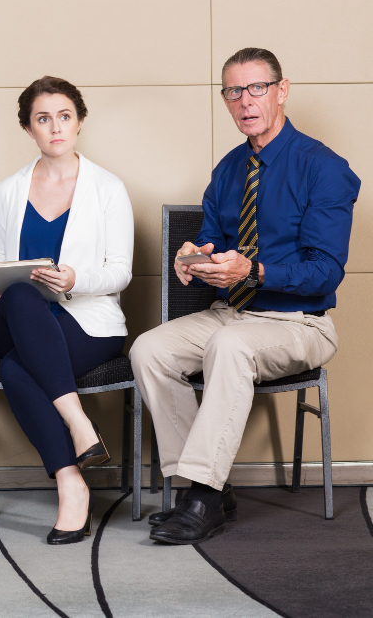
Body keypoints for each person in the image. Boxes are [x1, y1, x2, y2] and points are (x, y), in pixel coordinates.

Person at [130, 47, 360, 545]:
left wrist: (252, 269)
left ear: (282, 91)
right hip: (231, 312)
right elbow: (214, 242)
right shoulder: (230, 168)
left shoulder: (324, 168)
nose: (245, 101)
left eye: (256, 88)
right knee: (149, 350)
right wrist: (194, 256)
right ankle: (206, 483)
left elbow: (325, 273)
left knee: (228, 348)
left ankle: (204, 501)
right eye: (234, 91)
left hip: (300, 322)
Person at [0, 76, 134, 544]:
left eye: (64, 116)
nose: (55, 127)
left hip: (88, 322)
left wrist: (75, 280)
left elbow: (121, 272)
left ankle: (70, 483)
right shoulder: (8, 191)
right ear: (29, 129)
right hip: (15, 320)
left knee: (19, 369)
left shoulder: (108, 188)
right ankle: (80, 424)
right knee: (21, 293)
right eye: (43, 119)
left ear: (79, 121)